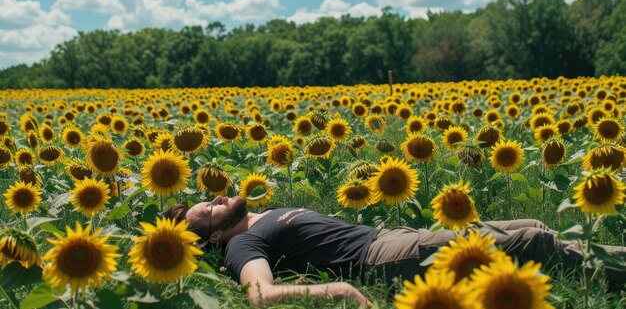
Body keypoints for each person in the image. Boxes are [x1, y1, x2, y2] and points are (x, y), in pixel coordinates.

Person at [165, 195, 626, 308]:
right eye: (206, 213)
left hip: (395, 235)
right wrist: (337, 289)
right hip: (383, 258)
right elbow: (260, 295)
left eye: (209, 200)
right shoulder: (242, 243)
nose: (215, 200)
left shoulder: (261, 216)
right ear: (213, 239)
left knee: (532, 226)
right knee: (533, 244)